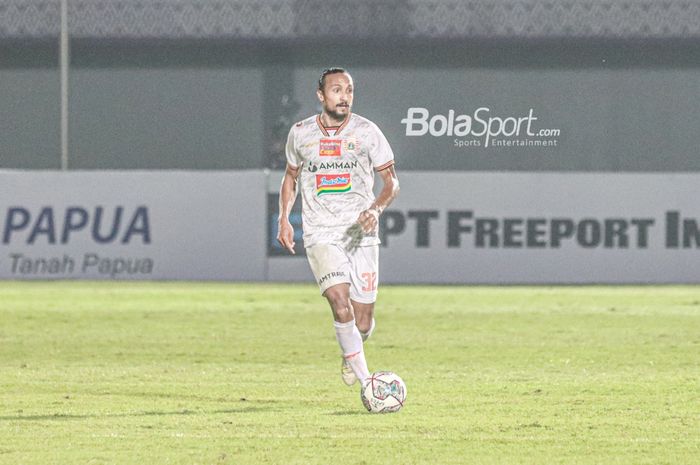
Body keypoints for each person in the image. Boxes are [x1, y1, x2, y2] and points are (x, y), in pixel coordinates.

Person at [277, 67, 400, 388]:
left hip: (360, 232)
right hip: (320, 232)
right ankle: (368, 384)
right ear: (321, 95)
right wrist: (284, 218)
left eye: (348, 90)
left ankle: (352, 349)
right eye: (336, 90)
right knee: (338, 301)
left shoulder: (367, 132)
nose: (344, 96)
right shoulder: (301, 133)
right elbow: (290, 177)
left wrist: (376, 208)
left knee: (362, 320)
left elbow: (392, 182)